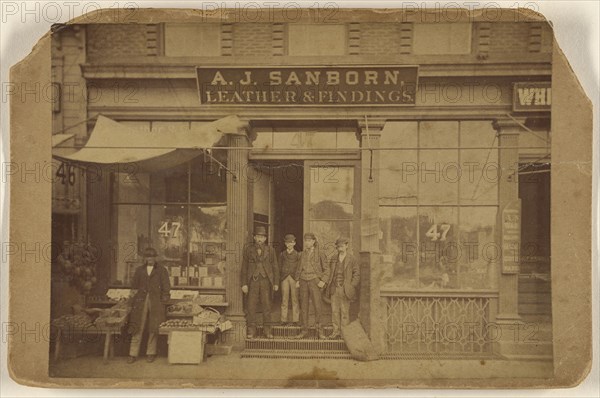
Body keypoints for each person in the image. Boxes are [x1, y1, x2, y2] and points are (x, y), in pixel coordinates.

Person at [127, 247, 171, 364]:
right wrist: (132, 299)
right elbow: (134, 286)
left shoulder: (162, 270)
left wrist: (164, 298)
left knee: (153, 327)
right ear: (144, 258)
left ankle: (151, 353)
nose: (150, 259)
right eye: (147, 257)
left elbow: (166, 286)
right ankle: (132, 354)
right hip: (140, 301)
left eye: (152, 257)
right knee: (137, 326)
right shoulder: (139, 270)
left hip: (156, 301)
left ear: (155, 258)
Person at [241, 226, 279, 339]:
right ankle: (251, 331)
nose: (260, 239)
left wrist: (276, 282)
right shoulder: (248, 250)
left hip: (266, 281)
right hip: (252, 281)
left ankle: (267, 331)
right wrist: (244, 284)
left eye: (262, 237)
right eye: (258, 236)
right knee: (251, 306)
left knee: (266, 306)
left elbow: (275, 267)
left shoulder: (270, 250)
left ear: (265, 239)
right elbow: (244, 268)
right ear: (254, 237)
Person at [294, 232, 330, 339]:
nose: (307, 242)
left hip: (315, 281)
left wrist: (323, 280)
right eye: (305, 240)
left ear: (314, 241)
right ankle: (304, 330)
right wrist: (297, 279)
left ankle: (319, 331)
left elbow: (327, 269)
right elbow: (299, 268)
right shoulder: (302, 254)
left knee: (317, 306)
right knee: (304, 307)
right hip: (303, 281)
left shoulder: (320, 253)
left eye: (309, 240)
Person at [326, 237, 360, 339]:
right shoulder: (333, 258)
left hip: (345, 289)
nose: (340, 248)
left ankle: (344, 333)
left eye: (342, 246)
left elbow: (357, 273)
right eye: (338, 246)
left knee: (345, 312)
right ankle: (336, 331)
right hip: (334, 288)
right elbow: (329, 272)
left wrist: (352, 285)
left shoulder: (352, 259)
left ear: (346, 246)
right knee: (334, 311)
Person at [279, 234, 300, 326]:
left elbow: (299, 267)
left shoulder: (298, 254)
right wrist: (281, 276)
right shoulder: (282, 254)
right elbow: (279, 266)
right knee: (284, 299)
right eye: (287, 242)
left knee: (295, 299)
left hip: (294, 278)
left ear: (294, 243)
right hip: (284, 278)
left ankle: (296, 320)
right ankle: (283, 319)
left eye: (291, 242)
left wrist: (298, 279)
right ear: (285, 243)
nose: (289, 244)